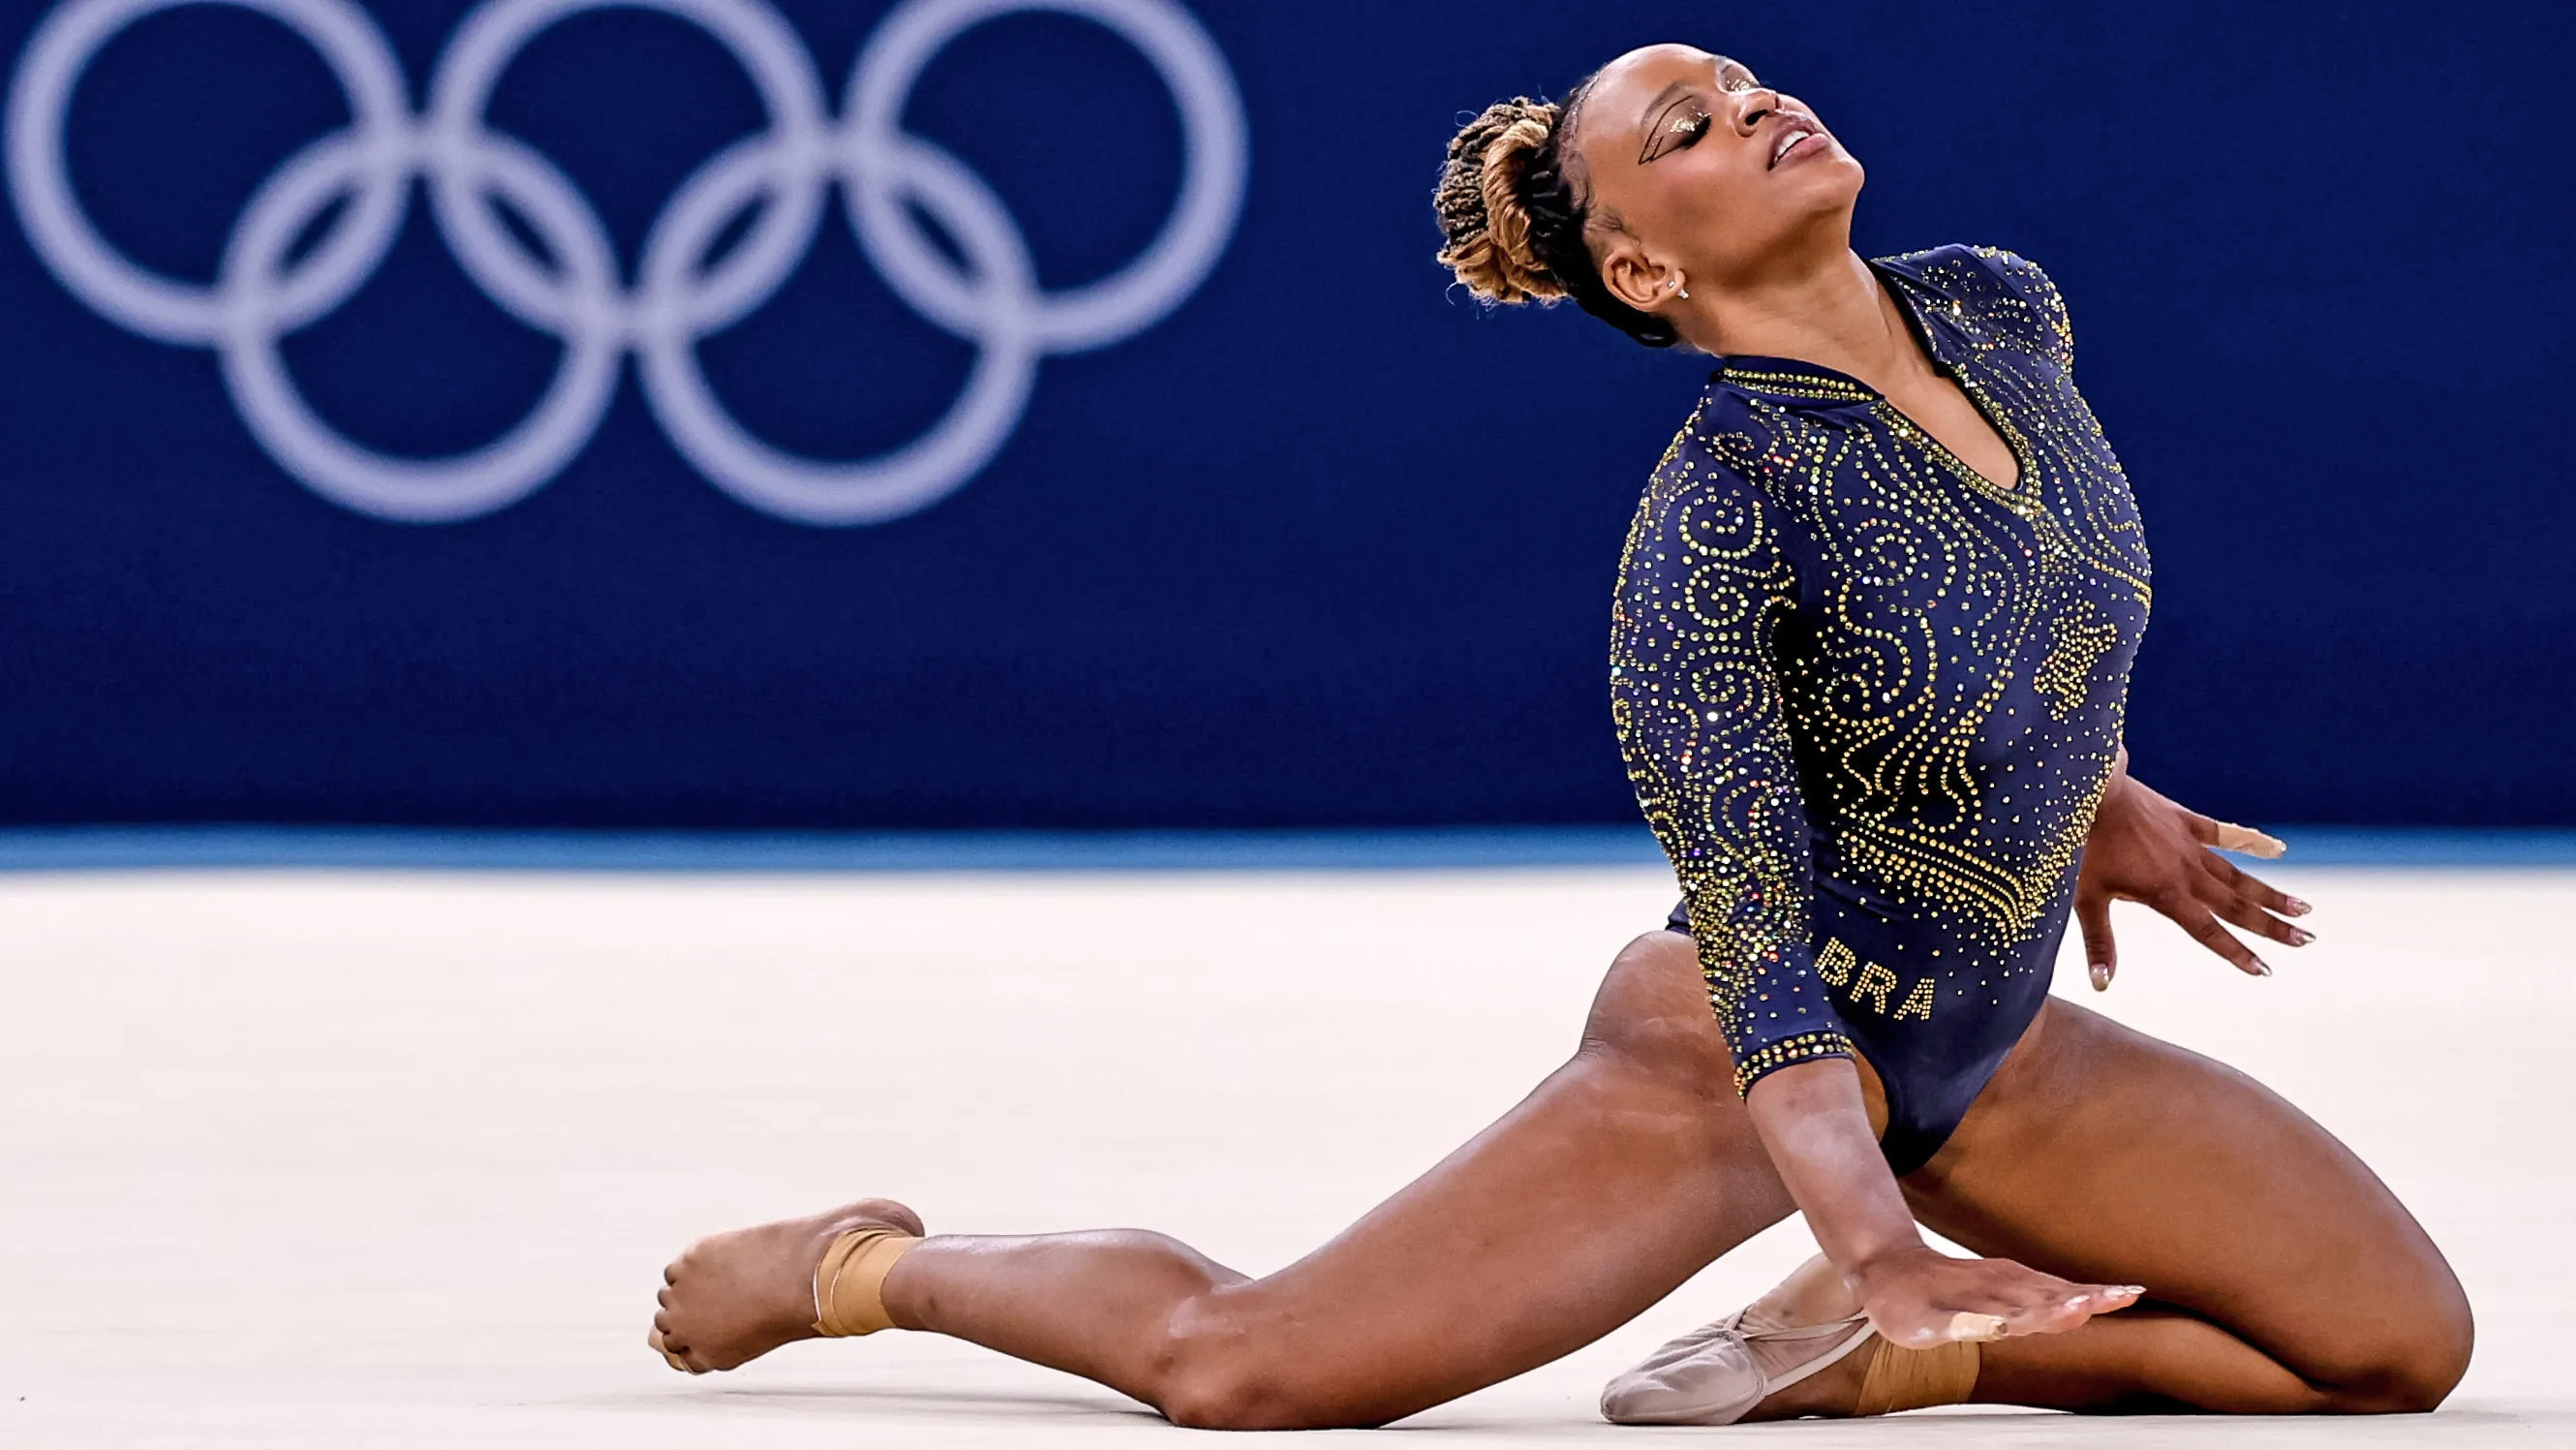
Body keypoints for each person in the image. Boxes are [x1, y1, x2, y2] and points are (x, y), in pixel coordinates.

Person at [646, 43, 2471, 1427]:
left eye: (1741, 84)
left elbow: (2027, 592)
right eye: (1682, 132)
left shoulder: (2000, 308)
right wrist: (1872, 1236)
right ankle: (856, 1268)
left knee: (2397, 1353)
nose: (1752, 108)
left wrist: (2093, 798)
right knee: (1241, 1370)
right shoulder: (1719, 520)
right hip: (1735, 1071)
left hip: (1981, 1048)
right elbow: (1761, 951)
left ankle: (1890, 1363)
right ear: (1647, 275)